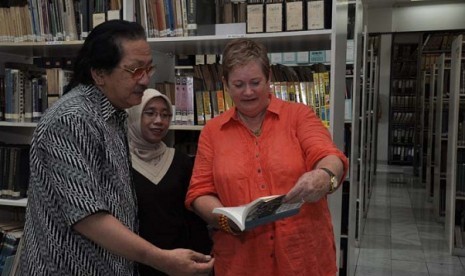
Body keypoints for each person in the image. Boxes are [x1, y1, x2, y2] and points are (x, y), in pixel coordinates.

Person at [20, 20, 213, 276]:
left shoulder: (115, 115)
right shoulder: (71, 119)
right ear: (99, 73)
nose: (145, 80)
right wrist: (161, 260)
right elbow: (88, 217)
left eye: (149, 68)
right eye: (134, 70)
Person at [185, 38, 349, 276]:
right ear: (225, 85)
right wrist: (224, 220)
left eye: (255, 82)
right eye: (238, 84)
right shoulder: (213, 132)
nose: (248, 91)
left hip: (303, 259)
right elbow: (199, 191)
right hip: (243, 263)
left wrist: (323, 176)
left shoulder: (299, 116)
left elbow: (329, 155)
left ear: (269, 78)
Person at [127, 88, 212, 276]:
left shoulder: (180, 161)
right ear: (133, 116)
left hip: (179, 262)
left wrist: (202, 260)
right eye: (150, 113)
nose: (159, 121)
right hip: (135, 262)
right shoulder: (119, 162)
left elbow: (194, 220)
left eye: (165, 115)